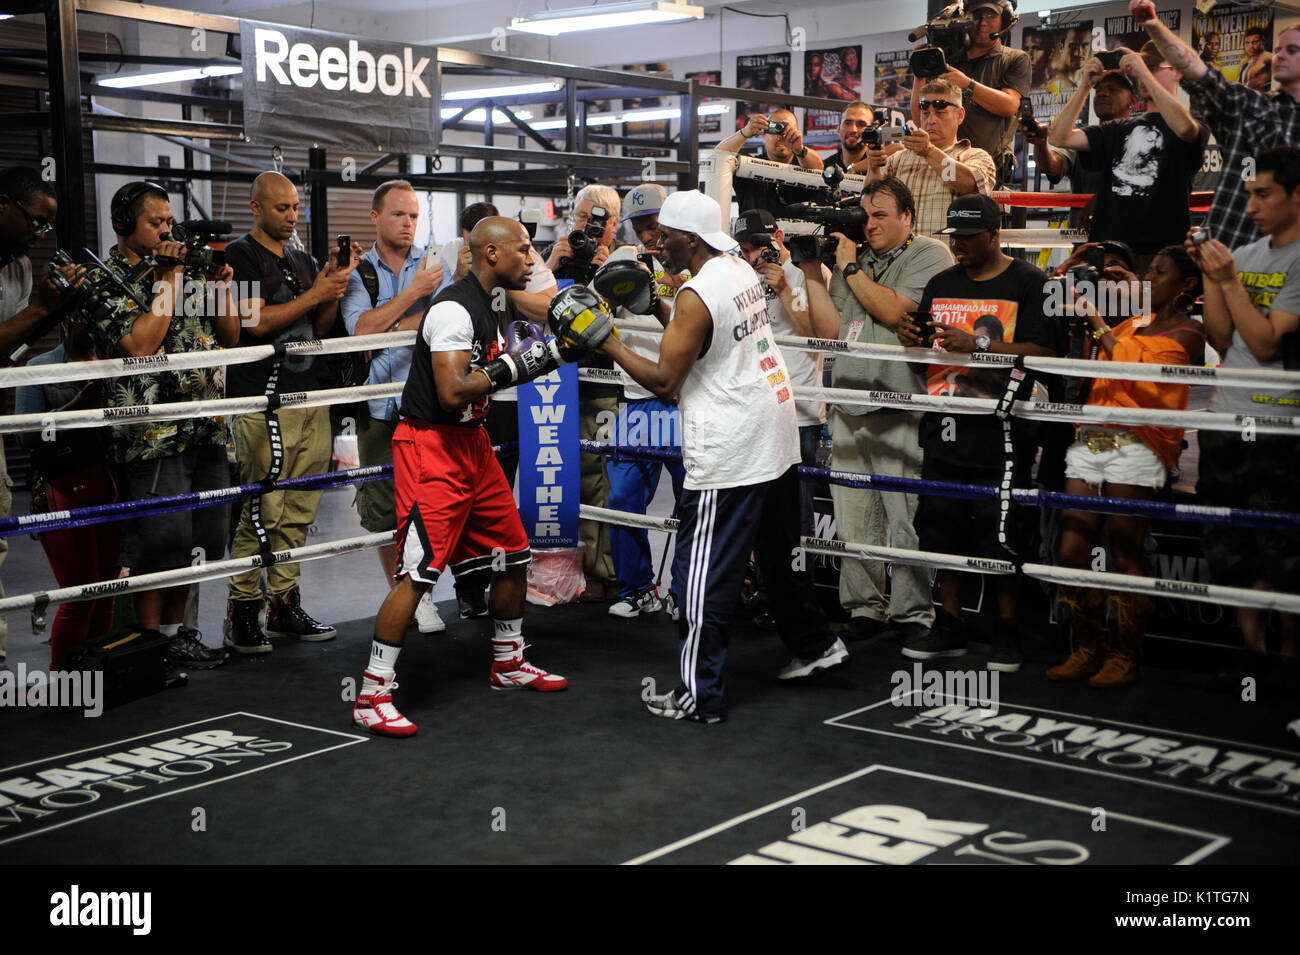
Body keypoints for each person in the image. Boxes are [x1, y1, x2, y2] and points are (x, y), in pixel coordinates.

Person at [599, 190, 848, 723]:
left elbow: (667, 380)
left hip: (731, 448)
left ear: (689, 239)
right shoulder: (736, 269)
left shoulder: (697, 292)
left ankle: (699, 695)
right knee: (780, 557)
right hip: (773, 433)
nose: (657, 244)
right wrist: (658, 307)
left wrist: (608, 340)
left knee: (701, 577)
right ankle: (817, 645)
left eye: (665, 235)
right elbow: (707, 334)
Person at [351, 217, 569, 737]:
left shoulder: (498, 300)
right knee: (420, 572)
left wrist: (564, 338)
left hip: (473, 445)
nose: (532, 259)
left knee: (514, 555)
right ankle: (372, 693)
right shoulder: (453, 307)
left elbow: (542, 321)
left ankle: (508, 662)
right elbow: (452, 392)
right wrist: (526, 363)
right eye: (523, 251)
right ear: (490, 254)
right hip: (432, 448)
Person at [897, 195, 1064, 672]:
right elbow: (926, 349)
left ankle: (1006, 631)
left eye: (969, 237)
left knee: (1003, 535)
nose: (960, 245)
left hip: (1004, 430)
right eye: (955, 237)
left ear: (995, 234)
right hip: (943, 421)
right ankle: (950, 624)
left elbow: (1048, 355)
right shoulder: (940, 282)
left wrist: (981, 345)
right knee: (941, 526)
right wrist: (912, 341)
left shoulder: (1031, 283)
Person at [89, 180, 239, 669]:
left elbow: (230, 337)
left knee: (198, 539)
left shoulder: (186, 271)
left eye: (168, 222)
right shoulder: (107, 279)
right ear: (123, 224)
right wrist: (169, 277)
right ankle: (148, 643)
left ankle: (179, 635)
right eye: (155, 222)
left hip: (207, 425)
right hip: (153, 433)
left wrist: (221, 289)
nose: (165, 230)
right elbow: (141, 345)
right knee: (159, 544)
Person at [1050, 246, 1205, 687]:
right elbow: (1099, 349)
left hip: (1141, 441)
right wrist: (1081, 282)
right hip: (1096, 434)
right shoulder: (1135, 320)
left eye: (1159, 272)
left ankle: (1125, 655)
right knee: (1072, 546)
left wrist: (1099, 324)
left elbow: (1135, 369)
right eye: (1147, 271)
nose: (1150, 277)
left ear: (1187, 284)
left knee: (1124, 549)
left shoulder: (1190, 332)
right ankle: (1086, 646)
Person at [225, 171, 356, 653]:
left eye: (296, 208)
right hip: (264, 399)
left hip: (309, 394)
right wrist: (316, 294)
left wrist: (331, 289)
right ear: (257, 207)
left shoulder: (302, 259)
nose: (292, 216)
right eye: (282, 208)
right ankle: (242, 609)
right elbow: (251, 322)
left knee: (300, 508)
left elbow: (316, 325)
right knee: (262, 509)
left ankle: (283, 604)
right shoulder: (240, 255)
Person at [818, 178, 954, 643]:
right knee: (855, 519)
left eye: (880, 215)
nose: (869, 224)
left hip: (901, 404)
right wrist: (805, 266)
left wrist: (851, 267)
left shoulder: (930, 255)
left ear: (908, 217)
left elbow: (898, 312)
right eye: (865, 215)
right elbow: (830, 326)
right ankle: (863, 609)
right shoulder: (856, 261)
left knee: (906, 519)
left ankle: (914, 614)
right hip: (851, 403)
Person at [1188, 146, 1300, 676]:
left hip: (1280, 426)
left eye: (1264, 194)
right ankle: (1253, 659)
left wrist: (1228, 280)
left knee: (1283, 549)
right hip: (1226, 420)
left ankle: (1289, 655)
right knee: (1229, 546)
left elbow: (1264, 345)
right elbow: (1221, 336)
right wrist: (1213, 279)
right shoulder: (1249, 255)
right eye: (1250, 193)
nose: (1251, 205)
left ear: (1297, 195)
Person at [441, 200, 560, 616]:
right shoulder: (447, 263)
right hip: (462, 402)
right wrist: (468, 278)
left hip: (509, 397)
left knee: (498, 497)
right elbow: (435, 313)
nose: (528, 257)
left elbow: (552, 309)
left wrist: (502, 282)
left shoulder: (524, 258)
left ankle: (497, 587)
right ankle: (465, 586)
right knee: (462, 500)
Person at [341, 179, 445, 632]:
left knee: (431, 505)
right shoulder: (360, 272)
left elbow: (445, 320)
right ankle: (406, 595)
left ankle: (422, 590)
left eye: (414, 215)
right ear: (375, 218)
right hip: (380, 407)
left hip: (430, 403)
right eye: (399, 214)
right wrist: (413, 296)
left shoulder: (436, 265)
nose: (408, 223)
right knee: (386, 510)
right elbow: (360, 333)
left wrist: (395, 320)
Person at [1132, 0, 1300, 251]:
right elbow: (1199, 74)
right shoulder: (1250, 106)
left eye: (1293, 50)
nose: (1279, 55)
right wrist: (1154, 26)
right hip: (1229, 249)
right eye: (1278, 49)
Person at [0, 166, 84, 666]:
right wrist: (37, 311)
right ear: (3, 205)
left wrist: (56, 309)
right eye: (36, 221)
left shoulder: (18, 267)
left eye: (48, 227)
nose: (41, 234)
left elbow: (11, 352)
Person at [599, 183, 687, 620]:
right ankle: (638, 589)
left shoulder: (693, 259)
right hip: (636, 398)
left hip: (684, 397)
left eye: (654, 226)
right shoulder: (623, 259)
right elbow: (601, 312)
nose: (648, 236)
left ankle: (684, 590)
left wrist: (663, 287)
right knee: (624, 499)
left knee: (692, 498)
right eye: (640, 227)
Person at [15, 323, 122, 669]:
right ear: (64, 321)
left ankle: (94, 670)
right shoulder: (40, 367)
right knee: (78, 593)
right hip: (61, 485)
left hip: (108, 483)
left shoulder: (115, 358)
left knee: (105, 592)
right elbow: (25, 438)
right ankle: (65, 682)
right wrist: (77, 406)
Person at [1048, 44, 1207, 271]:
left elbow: (1184, 130)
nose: (1143, 74)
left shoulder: (1191, 124)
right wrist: (1085, 85)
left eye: (1152, 68)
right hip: (1109, 253)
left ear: (1176, 71)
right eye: (1141, 69)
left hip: (1160, 256)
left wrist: (1141, 70)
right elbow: (1060, 138)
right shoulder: (1117, 129)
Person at [540, 184, 623, 601]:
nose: (584, 229)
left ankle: (603, 572)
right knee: (559, 477)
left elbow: (619, 321)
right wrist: (550, 265)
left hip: (601, 382)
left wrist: (607, 275)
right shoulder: (557, 255)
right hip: (555, 382)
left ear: (612, 226)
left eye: (594, 221)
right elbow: (531, 306)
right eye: (579, 218)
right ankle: (565, 572)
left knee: (599, 477)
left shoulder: (622, 260)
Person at [731, 208, 835, 535]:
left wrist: (786, 290)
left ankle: (798, 579)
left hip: (799, 407)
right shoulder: (748, 275)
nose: (750, 257)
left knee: (798, 505)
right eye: (743, 250)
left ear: (777, 238)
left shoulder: (808, 271)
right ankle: (767, 579)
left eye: (754, 248)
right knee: (764, 503)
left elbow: (819, 339)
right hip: (759, 404)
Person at [913, 0, 1031, 185]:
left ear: (1005, 19)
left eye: (991, 15)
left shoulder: (1014, 59)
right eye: (977, 15)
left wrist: (968, 85)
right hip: (942, 163)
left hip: (988, 170)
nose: (983, 22)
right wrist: (919, 73)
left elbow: (1009, 105)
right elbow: (921, 118)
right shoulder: (948, 60)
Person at [869, 78, 997, 238]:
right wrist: (873, 166)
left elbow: (968, 185)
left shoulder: (976, 157)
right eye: (925, 113)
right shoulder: (898, 158)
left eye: (940, 112)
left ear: (960, 115)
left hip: (949, 260)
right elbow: (872, 199)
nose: (931, 120)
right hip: (902, 259)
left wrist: (929, 151)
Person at [1023, 69, 1136, 221]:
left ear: (1133, 101)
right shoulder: (1082, 140)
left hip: (1129, 235)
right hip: (1085, 237)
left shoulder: (1144, 138)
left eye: (1113, 90)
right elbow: (1051, 166)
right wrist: (1041, 144)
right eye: (1099, 90)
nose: (1103, 93)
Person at [715, 109, 826, 219]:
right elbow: (717, 158)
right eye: (776, 129)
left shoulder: (805, 164)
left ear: (797, 134)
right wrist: (745, 132)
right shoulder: (748, 166)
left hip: (801, 235)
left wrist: (800, 150)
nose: (781, 136)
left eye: (787, 130)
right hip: (754, 235)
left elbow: (819, 168)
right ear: (764, 134)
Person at [822, 101, 880, 177]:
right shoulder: (826, 167)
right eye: (847, 123)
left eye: (861, 124)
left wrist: (855, 168)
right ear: (838, 128)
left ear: (873, 130)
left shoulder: (880, 165)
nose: (853, 130)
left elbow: (898, 148)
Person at [1241, 28, 1273, 92]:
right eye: (1247, 43)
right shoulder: (1246, 65)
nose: (1250, 46)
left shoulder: (1267, 57)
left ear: (1262, 42)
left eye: (1254, 42)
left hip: (1263, 99)